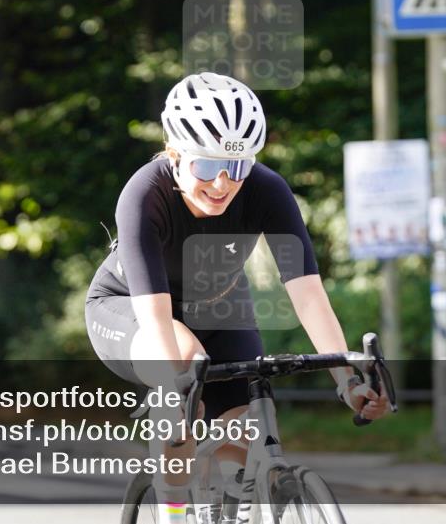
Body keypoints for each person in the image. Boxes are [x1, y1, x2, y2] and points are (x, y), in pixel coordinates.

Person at [85, 72, 389, 523]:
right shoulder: (144, 195)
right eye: (206, 167)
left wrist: (347, 381)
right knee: (183, 373)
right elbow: (156, 317)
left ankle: (232, 509)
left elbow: (308, 296)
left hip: (221, 308)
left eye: (238, 166)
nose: (222, 183)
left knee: (245, 429)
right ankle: (173, 511)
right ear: (174, 153)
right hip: (131, 308)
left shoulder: (267, 189)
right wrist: (175, 397)